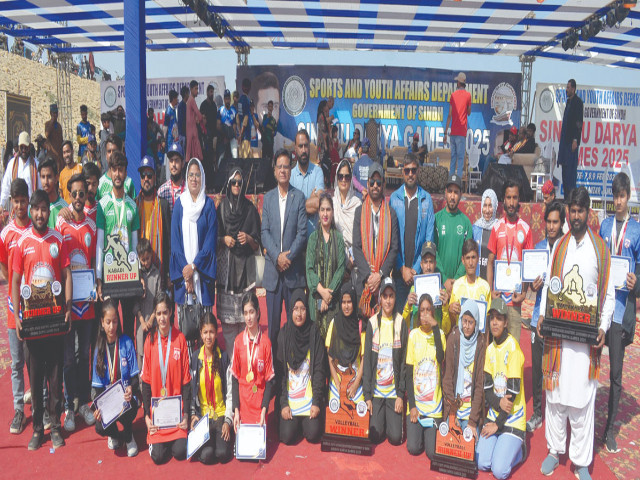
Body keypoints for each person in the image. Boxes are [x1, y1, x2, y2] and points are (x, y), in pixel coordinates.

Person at [537, 187, 614, 480]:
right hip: (559, 337)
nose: (577, 216)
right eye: (574, 210)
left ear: (589, 212)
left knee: (581, 399)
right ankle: (554, 451)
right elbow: (549, 286)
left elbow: (607, 296)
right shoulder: (560, 247)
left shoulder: (600, 251)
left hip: (585, 342)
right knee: (555, 397)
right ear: (569, 211)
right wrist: (544, 313)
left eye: (582, 211)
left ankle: (580, 461)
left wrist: (604, 327)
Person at [12, 189, 72, 451]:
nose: (39, 214)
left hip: (55, 321)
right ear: (31, 211)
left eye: (43, 209)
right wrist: (16, 316)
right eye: (35, 209)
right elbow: (14, 281)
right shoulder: (22, 242)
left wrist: (67, 308)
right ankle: (38, 429)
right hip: (33, 324)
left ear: (49, 211)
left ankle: (55, 427)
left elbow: (67, 275)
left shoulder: (57, 239)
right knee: (35, 380)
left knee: (55, 377)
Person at [600, 172, 640, 453]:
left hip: (621, 310)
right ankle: (585, 420)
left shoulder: (636, 231)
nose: (618, 201)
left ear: (629, 197)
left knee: (615, 373)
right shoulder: (604, 226)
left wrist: (636, 280)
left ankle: (610, 429)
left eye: (622, 196)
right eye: (615, 196)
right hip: (601, 307)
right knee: (591, 365)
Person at [57, 173, 97, 433]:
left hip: (88, 303)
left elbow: (94, 263)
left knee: (85, 355)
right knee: (68, 358)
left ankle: (83, 401)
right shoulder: (61, 223)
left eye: (83, 193)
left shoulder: (92, 227)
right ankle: (68, 406)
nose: (79, 198)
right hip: (68, 304)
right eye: (75, 194)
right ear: (68, 196)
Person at [261, 149, 307, 355]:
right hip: (272, 273)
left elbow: (302, 232)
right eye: (279, 166)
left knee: (294, 326)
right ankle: (273, 375)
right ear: (274, 171)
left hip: (292, 273)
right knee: (272, 329)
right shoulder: (268, 198)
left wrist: (286, 258)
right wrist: (276, 257)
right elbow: (264, 232)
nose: (283, 170)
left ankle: (293, 370)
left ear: (291, 170)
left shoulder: (298, 197)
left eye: (286, 167)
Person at [476, 298, 526, 479]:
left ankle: (519, 451)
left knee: (499, 471)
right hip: (496, 411)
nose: (495, 322)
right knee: (481, 462)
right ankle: (502, 448)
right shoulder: (489, 350)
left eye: (499, 318)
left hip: (512, 418)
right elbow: (487, 390)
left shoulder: (513, 348)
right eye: (492, 318)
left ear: (506, 322)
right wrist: (497, 406)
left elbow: (511, 397)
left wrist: (498, 424)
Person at [526, 200, 565, 433]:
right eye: (548, 222)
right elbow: (531, 285)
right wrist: (533, 284)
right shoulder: (539, 247)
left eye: (555, 222)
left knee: (557, 368)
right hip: (536, 318)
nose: (551, 226)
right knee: (539, 368)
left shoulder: (566, 248)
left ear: (561, 224)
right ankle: (538, 413)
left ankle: (555, 413)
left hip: (559, 318)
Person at [141, 292, 191, 465]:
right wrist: (147, 417)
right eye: (158, 313)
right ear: (155, 314)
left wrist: (185, 416)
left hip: (176, 415)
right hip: (158, 416)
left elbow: (186, 382)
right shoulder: (149, 341)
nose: (162, 318)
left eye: (165, 313)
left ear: (171, 312)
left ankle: (173, 440)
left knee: (181, 452)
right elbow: (146, 382)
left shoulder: (180, 339)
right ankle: (160, 444)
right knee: (158, 458)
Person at [170, 158, 217, 337]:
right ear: (186, 177)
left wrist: (194, 267)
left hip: (202, 278)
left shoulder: (209, 206)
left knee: (206, 332)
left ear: (202, 178)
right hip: (184, 279)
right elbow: (175, 244)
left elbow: (210, 243)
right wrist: (186, 273)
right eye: (191, 175)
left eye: (197, 175)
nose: (194, 179)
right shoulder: (179, 205)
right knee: (186, 331)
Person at [95, 151, 140, 339]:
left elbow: (135, 243)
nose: (118, 174)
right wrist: (99, 278)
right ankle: (111, 366)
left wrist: (138, 274)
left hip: (128, 273)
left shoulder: (132, 205)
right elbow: (99, 242)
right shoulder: (103, 204)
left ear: (126, 173)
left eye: (121, 170)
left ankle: (128, 366)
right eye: (114, 170)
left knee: (129, 325)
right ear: (110, 172)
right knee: (111, 326)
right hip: (110, 274)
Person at [217, 168, 261, 350]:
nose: (236, 185)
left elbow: (258, 243)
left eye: (239, 183)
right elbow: (215, 236)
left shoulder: (250, 209)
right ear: (228, 184)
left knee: (246, 324)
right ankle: (230, 371)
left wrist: (249, 239)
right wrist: (223, 239)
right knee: (228, 329)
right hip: (226, 274)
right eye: (233, 182)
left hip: (245, 275)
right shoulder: (221, 209)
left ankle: (246, 369)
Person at [0, 179, 31, 434]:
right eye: (16, 201)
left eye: (23, 201)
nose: (20, 205)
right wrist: (12, 282)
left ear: (28, 201)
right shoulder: (6, 233)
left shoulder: (36, 228)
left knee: (36, 359)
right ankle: (19, 408)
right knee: (17, 362)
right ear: (11, 202)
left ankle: (41, 404)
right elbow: (2, 262)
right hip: (13, 310)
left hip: (35, 309)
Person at [91, 299, 139, 457]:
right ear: (102, 323)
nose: (112, 327)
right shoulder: (98, 348)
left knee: (130, 406)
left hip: (126, 397)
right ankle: (114, 435)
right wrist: (98, 407)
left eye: (115, 322)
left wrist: (131, 388)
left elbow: (135, 378)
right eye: (108, 322)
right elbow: (97, 387)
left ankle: (129, 435)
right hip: (109, 401)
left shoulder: (126, 342)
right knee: (99, 425)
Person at [277, 289, 326, 445]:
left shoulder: (314, 332)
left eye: (303, 309)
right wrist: (284, 404)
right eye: (295, 309)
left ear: (307, 310)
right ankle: (295, 424)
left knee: (313, 434)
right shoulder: (284, 335)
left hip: (308, 401)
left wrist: (316, 402)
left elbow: (319, 369)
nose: (299, 314)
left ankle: (302, 423)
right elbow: (280, 374)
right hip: (291, 401)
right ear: (291, 311)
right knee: (286, 436)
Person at [363, 277, 408, 445]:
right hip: (376, 391)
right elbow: (367, 361)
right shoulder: (372, 322)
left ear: (395, 298)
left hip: (392, 392)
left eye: (391, 296)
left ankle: (392, 418)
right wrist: (368, 396)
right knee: (374, 435)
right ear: (380, 298)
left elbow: (403, 362)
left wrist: (399, 396)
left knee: (395, 438)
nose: (388, 300)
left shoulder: (400, 322)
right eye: (385, 296)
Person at [487, 179, 533, 342]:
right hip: (499, 298)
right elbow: (490, 262)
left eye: (515, 198)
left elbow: (528, 266)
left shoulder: (526, 229)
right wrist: (491, 291)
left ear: (519, 199)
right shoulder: (496, 227)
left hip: (514, 299)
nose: (511, 202)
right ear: (503, 200)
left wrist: (524, 294)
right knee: (496, 345)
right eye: (508, 197)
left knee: (513, 347)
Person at [352, 163, 399, 318]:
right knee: (364, 330)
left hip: (384, 283)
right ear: (367, 184)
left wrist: (379, 275)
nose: (375, 186)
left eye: (379, 183)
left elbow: (393, 248)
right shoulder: (359, 212)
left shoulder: (391, 214)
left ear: (383, 185)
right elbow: (356, 246)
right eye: (372, 182)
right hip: (364, 282)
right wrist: (369, 276)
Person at [389, 153, 434, 308]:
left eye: (413, 170)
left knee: (418, 324)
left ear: (418, 171)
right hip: (399, 273)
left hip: (419, 275)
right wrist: (402, 268)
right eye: (407, 170)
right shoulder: (394, 199)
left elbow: (429, 239)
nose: (410, 174)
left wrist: (414, 269)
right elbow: (391, 238)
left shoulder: (426, 199)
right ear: (402, 172)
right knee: (400, 323)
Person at [190, 313, 234, 464]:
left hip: (220, 415)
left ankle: (220, 441)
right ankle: (209, 444)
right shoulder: (195, 358)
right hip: (203, 418)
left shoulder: (223, 357)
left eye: (212, 332)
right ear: (201, 334)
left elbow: (230, 393)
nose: (208, 336)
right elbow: (191, 391)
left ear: (216, 333)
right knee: (208, 455)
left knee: (222, 454)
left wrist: (228, 421)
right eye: (205, 332)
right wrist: (192, 415)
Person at [405, 293, 445, 459]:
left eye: (429, 310)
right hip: (417, 406)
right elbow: (408, 374)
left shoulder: (440, 334)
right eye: (422, 310)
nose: (425, 314)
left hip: (434, 407)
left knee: (431, 452)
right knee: (413, 448)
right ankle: (418, 430)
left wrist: (435, 327)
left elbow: (441, 358)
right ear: (418, 313)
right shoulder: (413, 335)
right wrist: (412, 406)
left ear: (433, 314)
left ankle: (428, 433)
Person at [231, 291, 275, 432]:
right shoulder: (238, 341)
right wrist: (236, 410)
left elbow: (269, 380)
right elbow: (234, 378)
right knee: (243, 453)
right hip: (243, 404)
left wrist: (264, 410)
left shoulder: (266, 343)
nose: (249, 317)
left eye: (251, 312)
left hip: (259, 405)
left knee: (258, 452)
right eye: (245, 313)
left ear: (258, 313)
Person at [442, 299, 486, 438]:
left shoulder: (481, 343)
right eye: (464, 321)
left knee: (472, 449)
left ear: (476, 323)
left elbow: (479, 386)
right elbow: (447, 379)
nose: (466, 326)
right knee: (449, 447)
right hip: (454, 408)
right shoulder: (453, 339)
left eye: (470, 322)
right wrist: (452, 413)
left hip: (470, 412)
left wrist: (472, 422)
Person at [434, 173, 472, 333]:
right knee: (437, 329)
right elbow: (432, 252)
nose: (452, 196)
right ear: (445, 192)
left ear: (460, 195)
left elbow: (469, 256)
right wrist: (443, 279)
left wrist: (455, 281)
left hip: (458, 287)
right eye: (450, 191)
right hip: (439, 285)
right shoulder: (436, 219)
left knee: (456, 333)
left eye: (456, 192)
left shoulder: (465, 223)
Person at [305, 193, 346, 339]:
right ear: (318, 212)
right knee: (316, 348)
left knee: (332, 350)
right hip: (315, 300)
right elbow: (309, 269)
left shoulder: (339, 239)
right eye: (322, 210)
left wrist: (328, 296)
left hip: (333, 302)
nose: (325, 214)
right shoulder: (313, 238)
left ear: (333, 212)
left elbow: (341, 269)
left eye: (328, 210)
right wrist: (321, 292)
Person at [326, 284, 366, 416]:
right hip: (337, 381)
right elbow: (330, 358)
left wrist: (355, 385)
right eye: (343, 302)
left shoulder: (361, 325)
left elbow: (364, 359)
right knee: (335, 413)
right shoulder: (334, 323)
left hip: (355, 382)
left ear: (354, 302)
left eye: (349, 302)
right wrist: (338, 385)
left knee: (359, 414)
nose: (346, 306)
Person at [137, 155, 171, 284]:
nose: (146, 179)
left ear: (155, 177)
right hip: (140, 268)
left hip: (159, 267)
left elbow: (168, 241)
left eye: (149, 175)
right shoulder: (134, 205)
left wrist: (168, 273)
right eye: (143, 175)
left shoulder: (163, 205)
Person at [402, 241, 450, 331]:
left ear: (435, 264)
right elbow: (404, 326)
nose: (428, 267)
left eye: (431, 262)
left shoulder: (441, 290)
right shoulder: (413, 289)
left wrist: (445, 307)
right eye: (425, 262)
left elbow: (446, 329)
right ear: (421, 264)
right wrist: (408, 307)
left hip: (435, 339)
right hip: (418, 340)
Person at [448, 239, 492, 332]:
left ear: (478, 259)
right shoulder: (457, 285)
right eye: (468, 258)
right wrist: (450, 310)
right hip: (461, 338)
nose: (471, 263)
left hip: (478, 339)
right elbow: (452, 322)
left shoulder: (485, 286)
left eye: (473, 257)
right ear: (463, 260)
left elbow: (487, 323)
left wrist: (486, 345)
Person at [133, 238, 162, 369]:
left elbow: (159, 299)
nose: (146, 262)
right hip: (140, 322)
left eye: (148, 258)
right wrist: (143, 322)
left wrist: (151, 319)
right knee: (141, 352)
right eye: (143, 260)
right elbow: (135, 303)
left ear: (151, 255)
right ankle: (140, 383)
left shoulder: (157, 274)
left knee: (154, 350)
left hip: (154, 320)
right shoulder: (137, 275)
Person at [290, 129, 324, 238]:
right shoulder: (290, 176)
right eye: (300, 146)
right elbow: (288, 210)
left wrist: (297, 207)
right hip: (295, 241)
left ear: (309, 147)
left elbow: (319, 202)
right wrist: (310, 200)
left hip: (315, 240)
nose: (304, 150)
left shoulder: (318, 172)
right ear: (295, 149)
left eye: (306, 146)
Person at [557, 79, 583, 200]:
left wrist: (575, 140)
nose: (566, 90)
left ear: (573, 88)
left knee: (570, 172)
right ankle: (567, 197)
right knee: (564, 171)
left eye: (568, 87)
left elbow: (578, 123)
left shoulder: (578, 102)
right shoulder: (568, 102)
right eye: (566, 87)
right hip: (564, 143)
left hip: (571, 143)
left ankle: (572, 199)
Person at [0, 131, 39, 212]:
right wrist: (1, 204)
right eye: (21, 147)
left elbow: (40, 188)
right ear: (18, 147)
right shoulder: (12, 164)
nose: (24, 150)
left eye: (26, 147)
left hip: (31, 209)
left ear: (29, 147)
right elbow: (6, 186)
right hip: (16, 209)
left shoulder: (36, 164)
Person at [332, 159, 361, 265]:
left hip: (353, 261)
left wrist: (351, 262)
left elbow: (360, 236)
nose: (343, 180)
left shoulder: (357, 204)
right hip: (334, 258)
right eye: (340, 176)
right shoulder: (331, 203)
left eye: (347, 177)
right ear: (336, 178)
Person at [443, 72, 472, 177]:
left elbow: (449, 115)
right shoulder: (468, 95)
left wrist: (445, 133)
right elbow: (469, 112)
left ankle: (451, 182)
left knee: (453, 158)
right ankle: (458, 184)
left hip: (453, 132)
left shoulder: (453, 95)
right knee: (460, 159)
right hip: (462, 133)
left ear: (459, 83)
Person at [96, 134, 136, 201]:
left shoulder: (129, 183)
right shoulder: (100, 184)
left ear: (121, 152)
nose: (111, 154)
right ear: (106, 155)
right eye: (109, 151)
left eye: (114, 151)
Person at [472, 189, 499, 280]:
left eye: (490, 206)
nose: (487, 210)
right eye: (485, 205)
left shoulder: (499, 229)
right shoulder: (475, 229)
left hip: (493, 283)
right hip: (477, 282)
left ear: (495, 207)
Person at [157, 142, 185, 217]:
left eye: (176, 160)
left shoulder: (188, 190)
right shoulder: (162, 191)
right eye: (171, 160)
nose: (173, 164)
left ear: (182, 163)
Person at [39, 157, 68, 228]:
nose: (46, 182)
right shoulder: (34, 207)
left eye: (49, 177)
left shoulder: (65, 208)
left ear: (56, 178)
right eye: (43, 177)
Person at [200, 84, 219, 189]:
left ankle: (212, 185)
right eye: (210, 92)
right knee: (205, 163)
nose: (212, 94)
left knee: (212, 161)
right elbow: (201, 120)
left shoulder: (214, 106)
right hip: (204, 136)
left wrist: (215, 136)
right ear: (207, 92)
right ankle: (205, 185)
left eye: (213, 92)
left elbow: (216, 121)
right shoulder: (203, 105)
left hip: (212, 136)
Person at [186, 80, 206, 162]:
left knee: (191, 154)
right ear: (191, 89)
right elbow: (198, 114)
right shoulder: (192, 100)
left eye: (197, 89)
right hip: (192, 130)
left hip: (190, 129)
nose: (197, 91)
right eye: (195, 89)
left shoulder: (189, 100)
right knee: (197, 155)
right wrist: (203, 118)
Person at [163, 89, 179, 178]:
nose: (177, 100)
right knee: (170, 160)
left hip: (174, 141)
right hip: (169, 142)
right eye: (176, 98)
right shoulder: (168, 111)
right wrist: (164, 140)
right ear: (173, 99)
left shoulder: (174, 110)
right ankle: (168, 179)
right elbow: (165, 127)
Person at [218, 89, 237, 161]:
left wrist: (229, 137)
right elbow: (218, 125)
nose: (227, 100)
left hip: (231, 136)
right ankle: (219, 171)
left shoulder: (234, 110)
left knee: (235, 155)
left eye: (228, 99)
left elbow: (235, 126)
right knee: (221, 157)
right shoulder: (220, 110)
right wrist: (225, 136)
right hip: (223, 137)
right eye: (226, 99)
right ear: (224, 99)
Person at [237, 78, 253, 158]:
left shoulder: (240, 100)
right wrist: (242, 133)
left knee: (241, 157)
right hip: (245, 135)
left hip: (240, 134)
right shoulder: (246, 100)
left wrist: (239, 133)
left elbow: (238, 118)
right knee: (246, 159)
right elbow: (245, 119)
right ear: (249, 88)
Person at [317, 100, 331, 187]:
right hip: (322, 145)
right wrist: (326, 144)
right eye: (326, 106)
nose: (327, 107)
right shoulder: (321, 116)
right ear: (323, 107)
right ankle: (323, 184)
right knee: (324, 164)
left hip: (323, 143)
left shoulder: (323, 115)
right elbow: (323, 132)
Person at [45, 104, 64, 171]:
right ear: (51, 113)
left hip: (59, 156)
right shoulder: (47, 124)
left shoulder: (59, 126)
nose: (55, 115)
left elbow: (61, 140)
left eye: (56, 113)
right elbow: (47, 134)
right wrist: (52, 122)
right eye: (54, 113)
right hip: (51, 155)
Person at [261, 99, 277, 165]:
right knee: (264, 160)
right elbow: (263, 126)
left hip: (270, 143)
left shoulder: (273, 120)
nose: (270, 108)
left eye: (271, 107)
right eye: (269, 106)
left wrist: (274, 133)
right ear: (267, 107)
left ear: (272, 108)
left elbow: (275, 131)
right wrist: (267, 118)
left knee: (270, 161)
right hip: (265, 142)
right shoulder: (265, 116)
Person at [178, 85, 189, 150]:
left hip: (185, 134)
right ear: (185, 94)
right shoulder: (181, 106)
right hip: (183, 135)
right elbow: (183, 121)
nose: (189, 95)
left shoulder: (185, 105)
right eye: (188, 93)